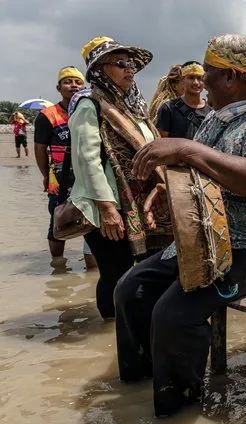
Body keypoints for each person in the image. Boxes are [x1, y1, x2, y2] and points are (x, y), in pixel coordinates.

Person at [114, 34, 246, 417]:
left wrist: (187, 148)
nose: (202, 82)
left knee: (173, 315)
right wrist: (163, 193)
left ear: (233, 77)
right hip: (204, 234)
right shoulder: (217, 119)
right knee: (129, 289)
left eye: (210, 75)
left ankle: (179, 407)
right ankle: (140, 389)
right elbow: (194, 173)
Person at [68, 37, 173, 320]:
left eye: (132, 65)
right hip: (109, 207)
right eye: (121, 63)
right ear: (101, 69)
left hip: (139, 208)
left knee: (138, 271)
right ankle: (110, 331)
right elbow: (86, 159)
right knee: (114, 273)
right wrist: (107, 208)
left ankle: (132, 326)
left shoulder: (133, 108)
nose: (130, 69)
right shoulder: (89, 105)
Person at [34, 66, 94, 267]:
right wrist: (45, 175)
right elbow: (40, 149)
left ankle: (92, 269)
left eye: (78, 82)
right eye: (68, 82)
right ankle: (58, 264)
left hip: (89, 174)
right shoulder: (47, 115)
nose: (74, 86)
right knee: (58, 219)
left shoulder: (91, 110)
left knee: (93, 221)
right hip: (59, 178)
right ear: (58, 87)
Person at [156, 61, 212, 139]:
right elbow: (161, 142)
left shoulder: (212, 111)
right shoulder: (168, 109)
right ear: (182, 80)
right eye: (191, 78)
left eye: (199, 78)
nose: (196, 82)